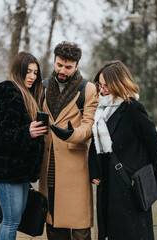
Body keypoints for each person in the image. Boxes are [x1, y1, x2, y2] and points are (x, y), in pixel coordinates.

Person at [88, 60, 157, 240]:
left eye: (106, 86)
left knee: (131, 233)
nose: (102, 90)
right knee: (112, 232)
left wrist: (143, 170)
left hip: (129, 185)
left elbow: (153, 142)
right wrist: (94, 170)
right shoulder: (102, 110)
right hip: (108, 184)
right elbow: (96, 143)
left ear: (117, 84)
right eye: (100, 85)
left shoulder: (132, 107)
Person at [38, 41, 99, 240]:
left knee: (79, 227)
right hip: (48, 166)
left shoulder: (88, 89)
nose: (62, 70)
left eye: (68, 67)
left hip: (75, 167)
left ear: (77, 65)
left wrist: (72, 134)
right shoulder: (45, 86)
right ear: (54, 61)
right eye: (59, 65)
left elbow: (89, 126)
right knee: (53, 223)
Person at [0, 52, 47, 240]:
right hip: (6, 169)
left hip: (18, 170)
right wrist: (27, 131)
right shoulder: (9, 92)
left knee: (15, 219)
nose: (32, 77)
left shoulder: (27, 95)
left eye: (35, 72)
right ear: (18, 70)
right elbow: (3, 135)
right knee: (11, 221)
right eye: (28, 72)